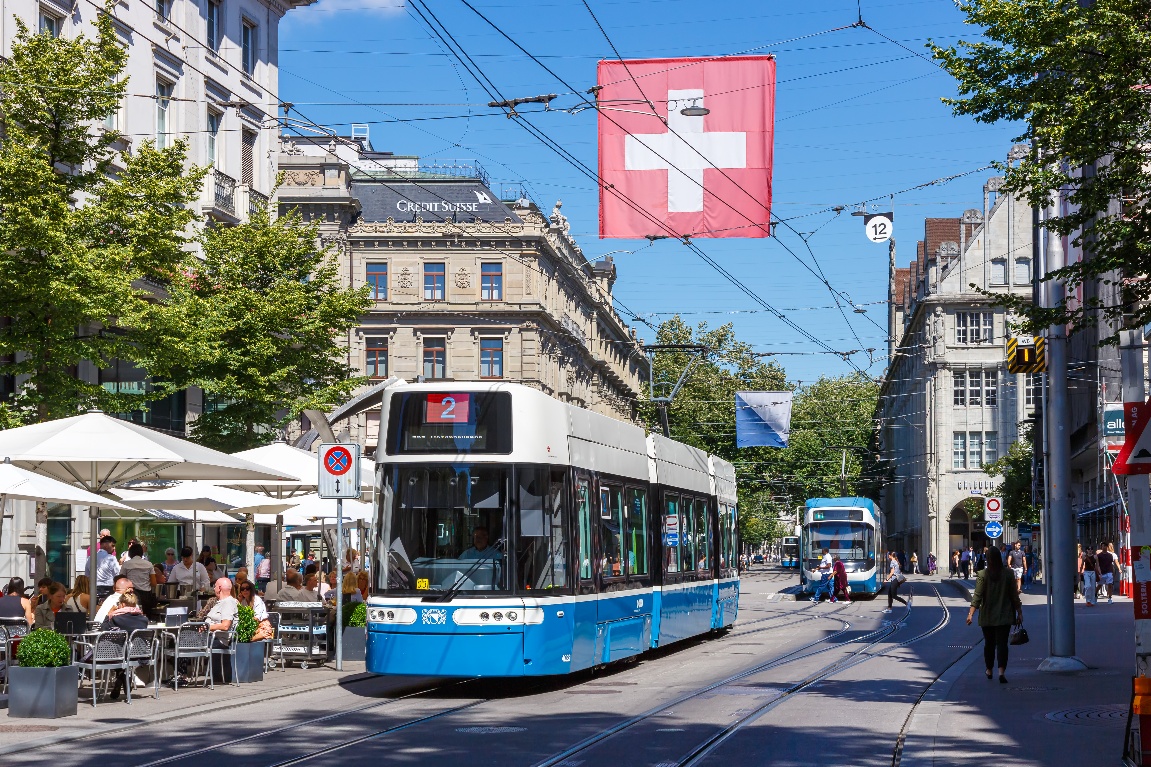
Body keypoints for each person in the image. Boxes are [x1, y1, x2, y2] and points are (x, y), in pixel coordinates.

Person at [967, 546, 1023, 683]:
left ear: (988, 559)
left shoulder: (982, 575)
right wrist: (1019, 612)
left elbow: (977, 596)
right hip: (1005, 615)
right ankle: (1001, 672)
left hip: (987, 615)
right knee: (1002, 644)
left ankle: (989, 669)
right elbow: (1014, 596)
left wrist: (970, 614)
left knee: (989, 644)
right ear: (1000, 557)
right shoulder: (1008, 574)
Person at [101, 591, 148, 700]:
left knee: (116, 650)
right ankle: (123, 676)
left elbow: (103, 629)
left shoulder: (116, 618)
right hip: (139, 653)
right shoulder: (143, 619)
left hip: (118, 654)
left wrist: (109, 615)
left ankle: (121, 675)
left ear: (121, 604)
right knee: (122, 652)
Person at [119, 541, 157, 617]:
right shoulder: (148, 564)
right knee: (146, 617)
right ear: (141, 553)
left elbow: (121, 580)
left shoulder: (126, 564)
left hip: (131, 594)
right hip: (146, 595)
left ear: (130, 553)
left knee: (132, 616)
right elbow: (154, 583)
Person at [95, 535, 120, 600]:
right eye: (113, 545)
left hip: (94, 588)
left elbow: (87, 575)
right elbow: (118, 574)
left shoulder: (90, 558)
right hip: (108, 588)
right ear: (106, 545)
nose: (114, 548)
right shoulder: (111, 558)